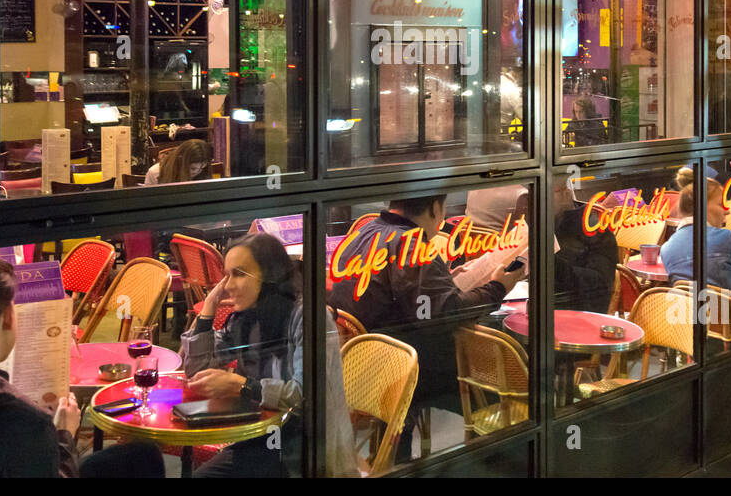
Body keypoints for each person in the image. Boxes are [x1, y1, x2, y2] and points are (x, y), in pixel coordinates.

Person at [0, 252, 165, 477]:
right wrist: (64, 434)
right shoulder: (22, 420)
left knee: (139, 454)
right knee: (144, 457)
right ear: (9, 317)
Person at [327, 195, 524, 460]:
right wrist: (497, 288)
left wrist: (447, 281)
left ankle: (399, 450)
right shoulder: (411, 245)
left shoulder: (366, 230)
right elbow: (443, 314)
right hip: (398, 368)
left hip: (358, 363)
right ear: (435, 208)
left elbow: (423, 302)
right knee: (490, 369)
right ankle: (494, 456)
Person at [181, 232, 356, 477]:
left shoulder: (308, 316)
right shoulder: (247, 317)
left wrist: (242, 386)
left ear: (270, 277)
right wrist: (207, 313)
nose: (229, 286)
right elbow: (196, 372)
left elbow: (307, 396)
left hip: (302, 452)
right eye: (226, 276)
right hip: (255, 439)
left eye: (239, 274)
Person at [660, 182, 731, 310]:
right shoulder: (728, 238)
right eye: (720, 204)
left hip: (695, 325)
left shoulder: (666, 249)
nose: (727, 211)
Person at [145, 138, 211, 186]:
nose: (197, 171)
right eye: (193, 169)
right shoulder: (155, 172)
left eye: (202, 167)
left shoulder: (203, 170)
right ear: (180, 160)